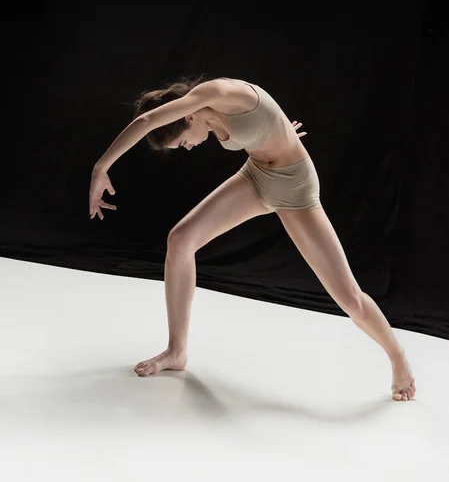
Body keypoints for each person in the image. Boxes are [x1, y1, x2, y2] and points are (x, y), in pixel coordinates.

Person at [89, 75, 416, 401]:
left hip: (295, 188)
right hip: (256, 178)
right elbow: (266, 119)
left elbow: (147, 121)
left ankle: (398, 357)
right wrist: (279, 134)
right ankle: (176, 351)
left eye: (183, 142)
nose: (188, 148)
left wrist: (100, 169)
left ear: (187, 116)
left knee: (350, 300)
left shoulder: (218, 93)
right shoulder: (204, 114)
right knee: (180, 240)